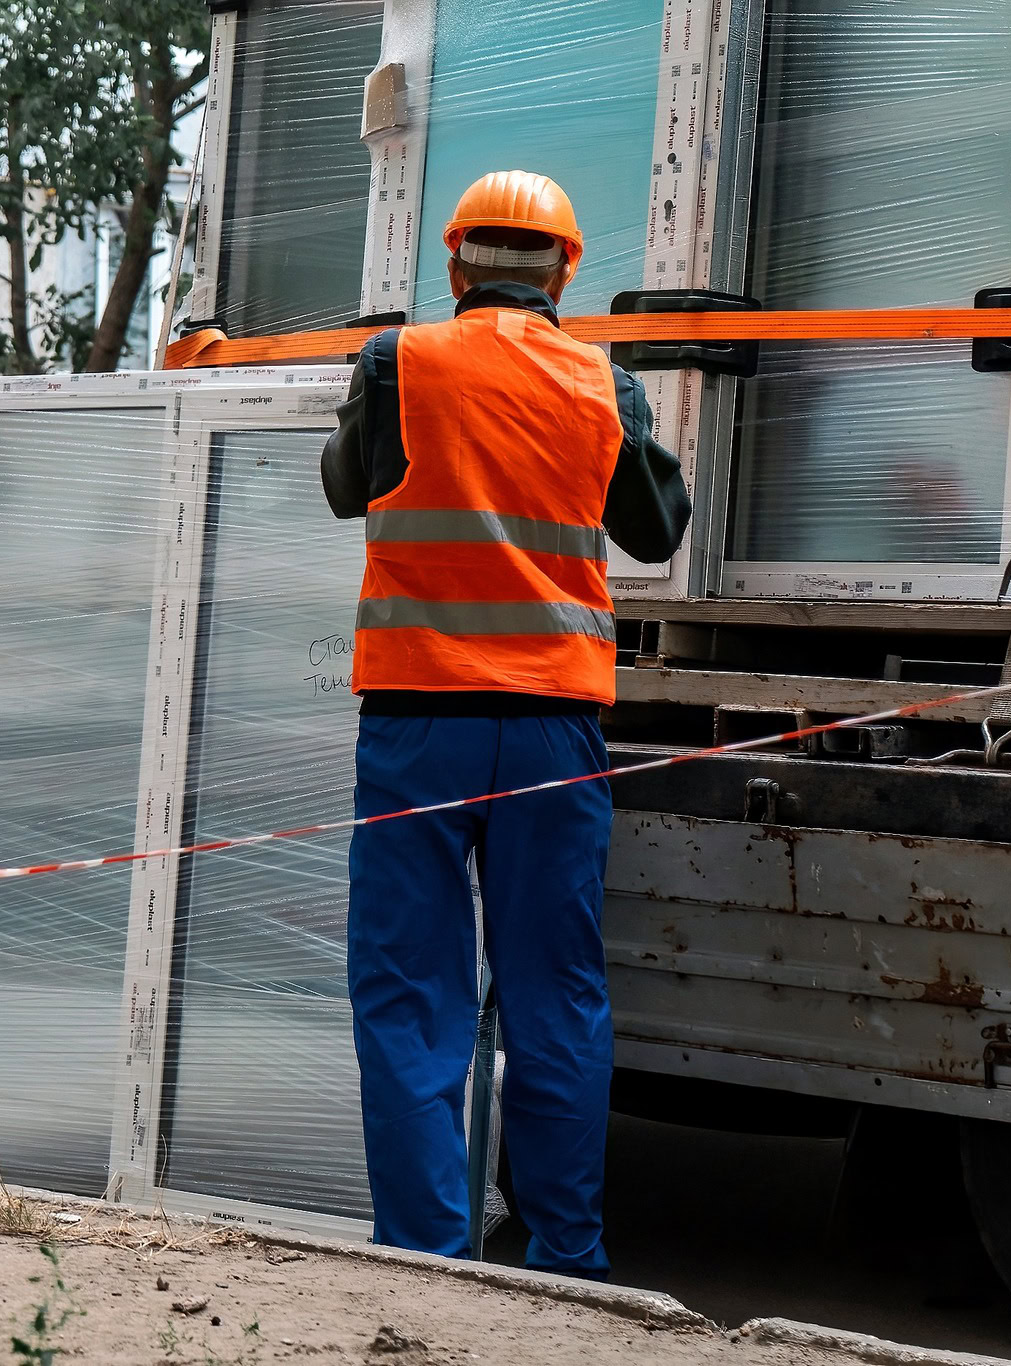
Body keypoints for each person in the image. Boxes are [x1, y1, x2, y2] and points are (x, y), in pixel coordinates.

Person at [318, 171, 691, 1277]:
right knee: (553, 993)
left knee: (407, 994)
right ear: (565, 272)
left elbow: (346, 487)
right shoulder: (601, 381)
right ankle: (565, 1255)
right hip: (551, 727)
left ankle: (427, 1254)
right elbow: (654, 531)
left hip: (416, 719)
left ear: (452, 268)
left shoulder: (398, 361)